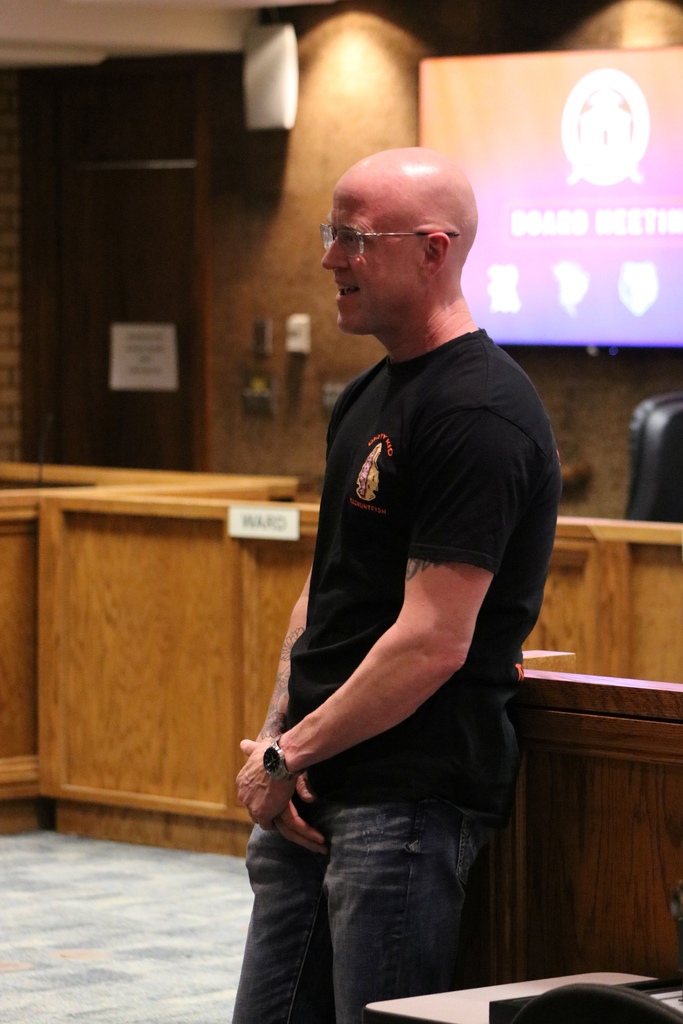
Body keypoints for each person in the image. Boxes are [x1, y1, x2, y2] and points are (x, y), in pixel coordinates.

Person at [233, 147, 562, 1024]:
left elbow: (431, 640)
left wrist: (288, 754)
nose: (329, 258)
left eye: (353, 237)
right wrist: (279, 740)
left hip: (404, 805)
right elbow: (329, 588)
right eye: (330, 232)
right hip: (312, 788)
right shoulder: (370, 393)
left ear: (432, 249)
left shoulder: (479, 412)